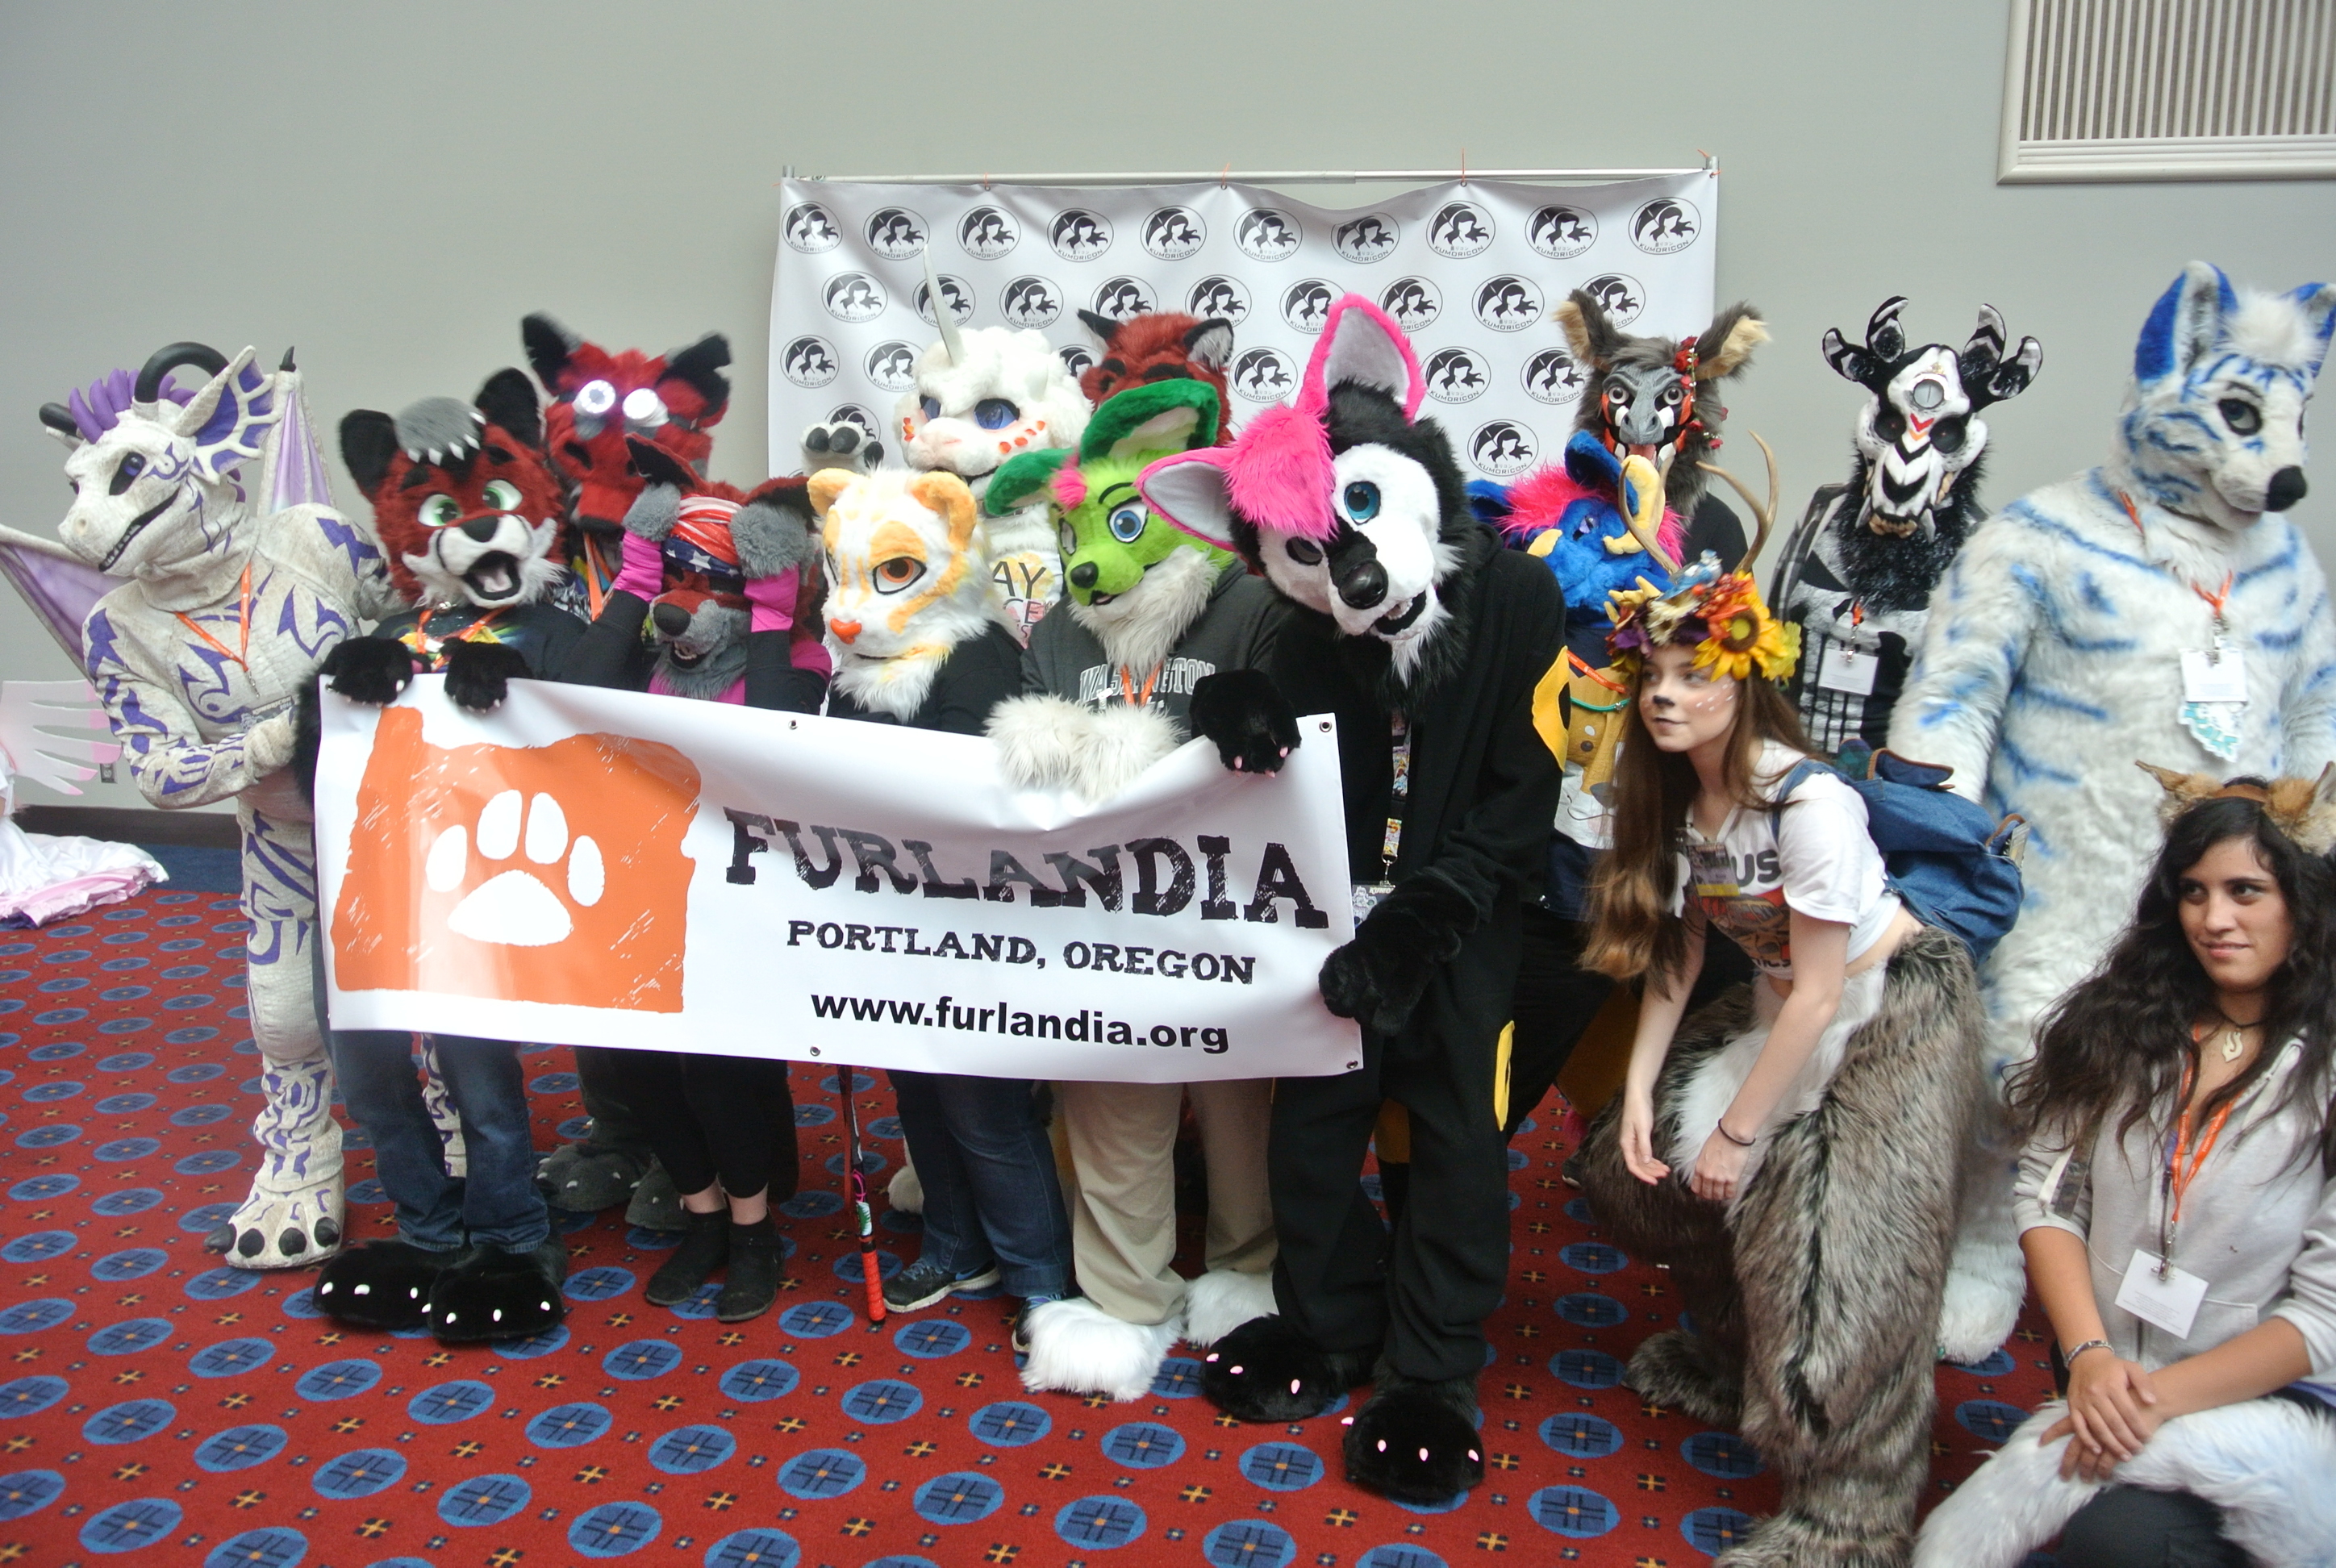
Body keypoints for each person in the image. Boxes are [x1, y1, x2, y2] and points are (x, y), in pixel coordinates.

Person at [1574, 556, 1984, 1567]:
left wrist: (1735, 1132)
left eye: (1692, 677)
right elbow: (1679, 954)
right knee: (1631, 1171)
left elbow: (1822, 992)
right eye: (1653, 677)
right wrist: (1639, 1091)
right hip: (1782, 1000)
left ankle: (1849, 1515)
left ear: (1743, 681)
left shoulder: (1810, 805)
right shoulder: (1683, 802)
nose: (1665, 696)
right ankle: (1729, 1357)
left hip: (1892, 1010)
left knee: (1841, 1261)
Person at [1916, 771, 2336, 1566]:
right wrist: (2089, 1358)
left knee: (2118, 1542)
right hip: (2108, 1359)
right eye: (2193, 892)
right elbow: (2048, 1193)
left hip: (2274, 1402)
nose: (2213, 919)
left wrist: (2145, 1405)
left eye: (2245, 892)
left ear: (2305, 902)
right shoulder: (2125, 1022)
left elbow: (2324, 1319)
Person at [808, 466, 1075, 1341]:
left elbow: (974, 794)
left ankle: (1040, 1278)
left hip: (971, 928)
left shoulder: (977, 652)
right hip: (888, 924)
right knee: (918, 1093)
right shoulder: (859, 665)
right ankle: (957, 1245)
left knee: (983, 1108)